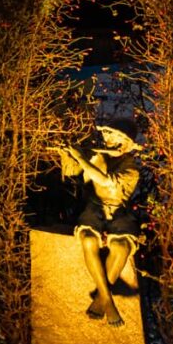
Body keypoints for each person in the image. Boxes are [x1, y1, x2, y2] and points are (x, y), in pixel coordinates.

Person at [53, 119, 143, 327]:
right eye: (109, 135)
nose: (110, 140)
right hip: (94, 209)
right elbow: (70, 174)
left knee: (121, 247)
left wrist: (83, 159)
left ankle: (101, 300)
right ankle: (107, 300)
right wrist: (68, 156)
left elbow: (104, 182)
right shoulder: (97, 156)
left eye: (117, 137)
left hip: (118, 212)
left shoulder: (131, 169)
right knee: (87, 240)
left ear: (127, 144)